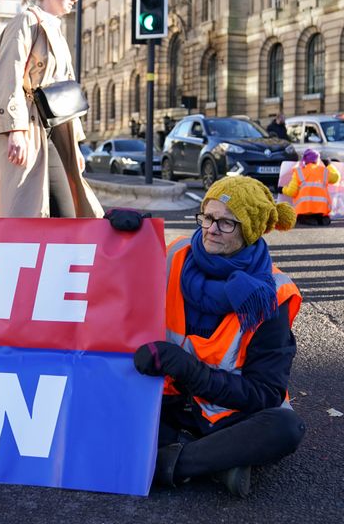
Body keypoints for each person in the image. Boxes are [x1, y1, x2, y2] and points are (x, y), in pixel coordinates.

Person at [129, 176, 304, 498]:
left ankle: (167, 462)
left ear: (249, 229)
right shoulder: (174, 253)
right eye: (208, 217)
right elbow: (112, 285)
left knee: (285, 428)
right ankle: (214, 463)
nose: (210, 229)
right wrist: (119, 238)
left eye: (226, 223)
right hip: (162, 401)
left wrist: (186, 368)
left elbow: (264, 393)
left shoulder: (271, 295)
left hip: (226, 414)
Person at [0, 0, 102, 219]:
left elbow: (67, 93)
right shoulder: (25, 22)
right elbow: (7, 76)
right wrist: (15, 130)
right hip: (28, 130)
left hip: (53, 133)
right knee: (21, 215)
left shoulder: (57, 30)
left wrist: (76, 146)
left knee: (66, 212)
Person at [281, 148, 340, 225]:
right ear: (317, 160)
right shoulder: (324, 171)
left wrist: (282, 189)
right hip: (321, 209)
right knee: (320, 216)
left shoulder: (299, 172)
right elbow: (336, 177)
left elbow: (292, 192)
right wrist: (329, 165)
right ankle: (321, 219)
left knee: (302, 218)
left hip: (304, 210)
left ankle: (309, 219)